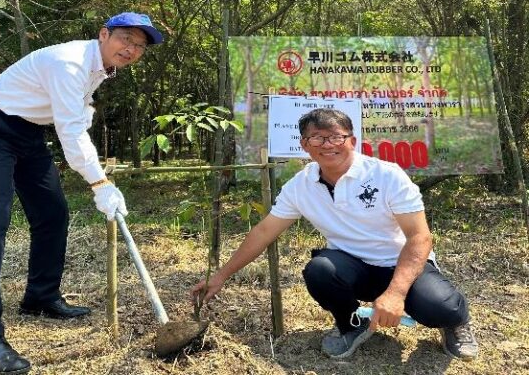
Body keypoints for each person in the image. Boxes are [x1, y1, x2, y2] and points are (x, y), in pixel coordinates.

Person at [0, 12, 163, 373]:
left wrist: (87, 112)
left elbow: (75, 112)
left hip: (27, 133)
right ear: (104, 35)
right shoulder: (69, 63)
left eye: (139, 46)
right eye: (125, 39)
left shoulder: (98, 67)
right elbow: (70, 131)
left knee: (52, 212)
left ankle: (41, 296)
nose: (131, 49)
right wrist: (100, 183)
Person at [192, 108, 478, 361]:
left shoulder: (386, 175)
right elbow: (264, 231)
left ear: (352, 141)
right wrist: (221, 275)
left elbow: (420, 238)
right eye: (317, 138)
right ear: (305, 145)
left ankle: (457, 323)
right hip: (352, 267)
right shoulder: (300, 185)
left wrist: (395, 292)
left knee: (439, 308)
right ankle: (351, 325)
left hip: (402, 265)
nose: (327, 145)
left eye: (336, 137)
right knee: (319, 270)